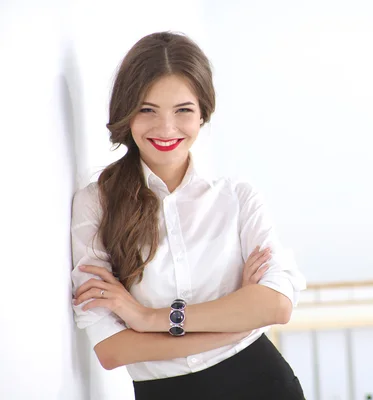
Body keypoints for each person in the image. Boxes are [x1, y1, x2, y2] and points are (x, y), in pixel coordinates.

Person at [70, 31, 306, 400]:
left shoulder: (238, 198)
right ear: (126, 111)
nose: (166, 129)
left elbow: (276, 306)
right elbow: (113, 350)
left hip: (262, 383)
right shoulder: (96, 203)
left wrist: (148, 319)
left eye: (183, 110)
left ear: (202, 113)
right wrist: (234, 323)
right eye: (147, 110)